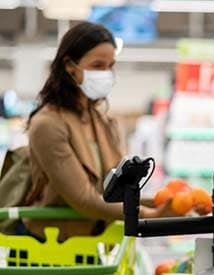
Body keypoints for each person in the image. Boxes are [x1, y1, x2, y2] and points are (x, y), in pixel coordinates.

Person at [23, 22, 174, 242]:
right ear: (69, 66)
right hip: (55, 247)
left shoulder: (102, 120)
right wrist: (144, 213)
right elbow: (83, 198)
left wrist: (166, 201)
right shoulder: (47, 124)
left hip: (97, 243)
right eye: (97, 65)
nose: (106, 73)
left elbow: (117, 191)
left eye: (111, 65)